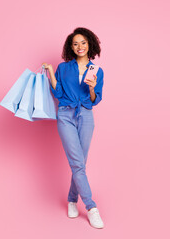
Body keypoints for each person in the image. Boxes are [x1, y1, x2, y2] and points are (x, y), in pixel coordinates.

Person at [42, 27, 104, 229]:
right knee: (77, 163)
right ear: (71, 46)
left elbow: (94, 101)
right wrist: (51, 71)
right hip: (66, 114)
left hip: (86, 115)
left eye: (83, 42)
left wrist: (93, 87)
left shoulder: (97, 70)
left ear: (90, 45)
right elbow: (58, 93)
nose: (80, 46)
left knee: (80, 163)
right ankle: (91, 207)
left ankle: (71, 199)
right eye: (76, 43)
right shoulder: (63, 68)